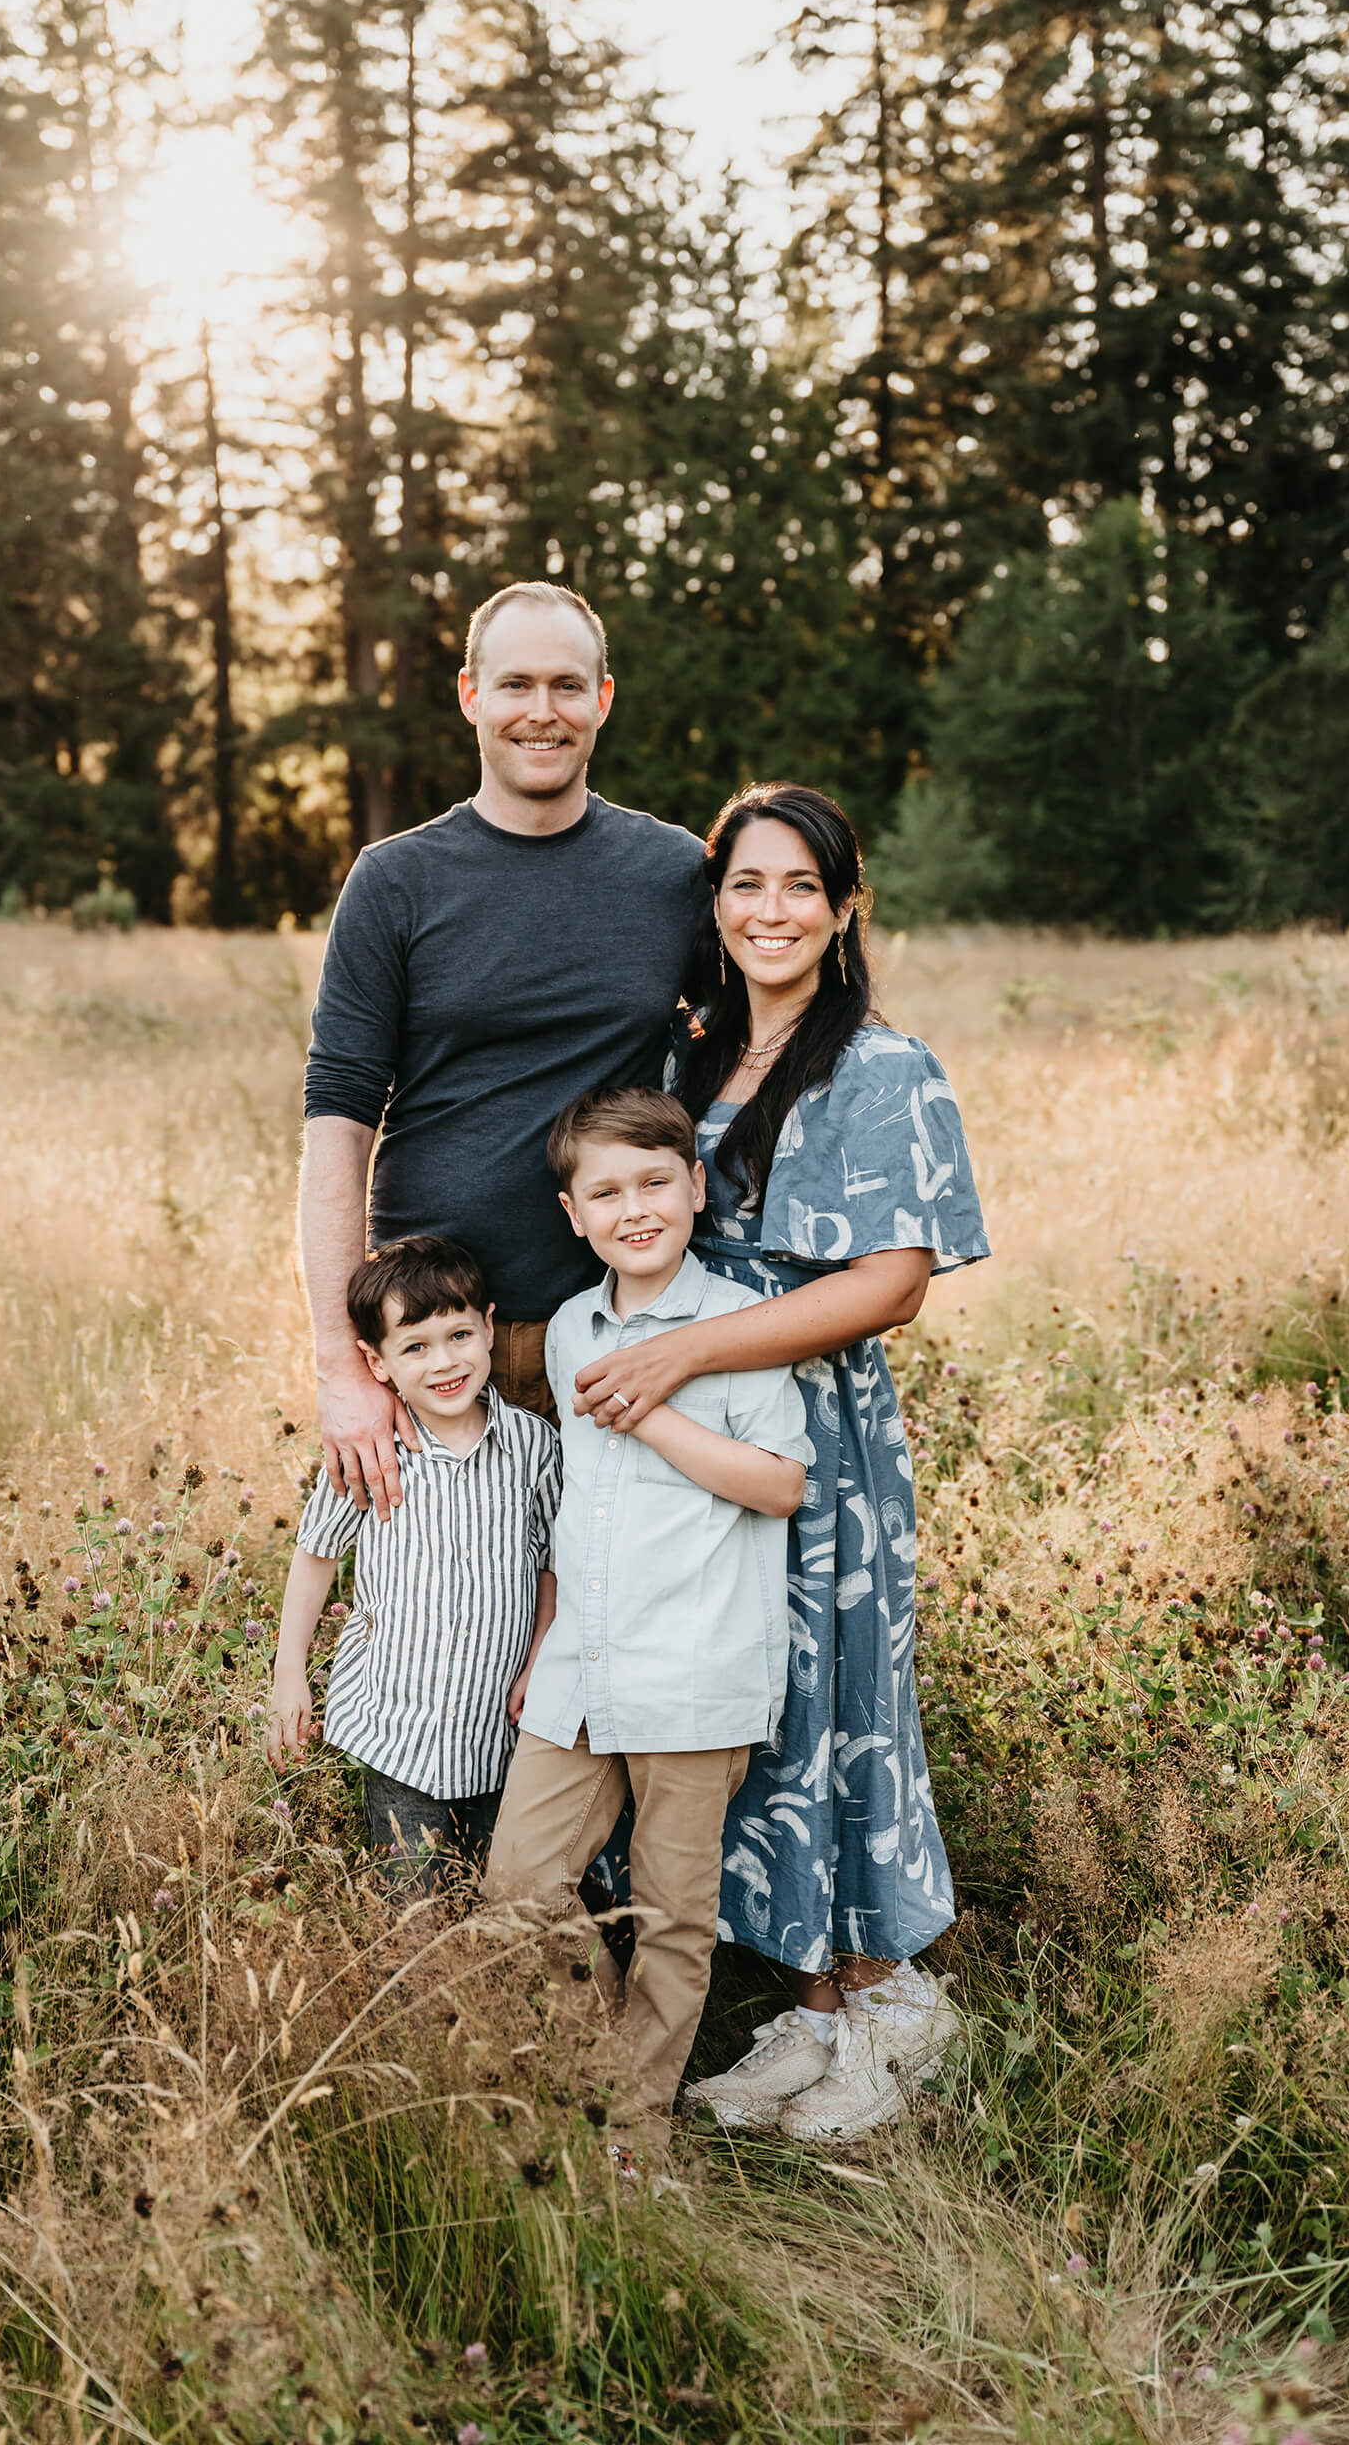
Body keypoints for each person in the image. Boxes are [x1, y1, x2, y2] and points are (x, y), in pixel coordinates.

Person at [568, 783, 990, 2143]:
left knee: (844, 1702)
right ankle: (807, 2009)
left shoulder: (882, 1065)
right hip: (698, 1447)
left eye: (800, 886)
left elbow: (888, 1284)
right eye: (745, 885)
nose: (770, 911)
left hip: (813, 1430)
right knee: (761, 1712)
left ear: (843, 905)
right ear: (715, 902)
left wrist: (691, 1354)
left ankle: (889, 2006)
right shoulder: (686, 1063)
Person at [298, 582, 705, 1510]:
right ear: (470, 695)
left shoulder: (675, 872)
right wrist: (342, 1365)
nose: (541, 711)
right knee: (445, 1634)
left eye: (567, 686)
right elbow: (337, 1129)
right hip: (438, 1337)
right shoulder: (393, 882)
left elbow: (753, 1041)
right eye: (515, 684)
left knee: (610, 1629)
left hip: (618, 1328)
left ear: (602, 700)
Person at [483, 1087, 809, 2154]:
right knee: (520, 1888)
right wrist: (546, 1639)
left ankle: (633, 2133)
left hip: (697, 1661)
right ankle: (595, 2075)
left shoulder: (736, 1328)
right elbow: (579, 1505)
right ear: (573, 1213)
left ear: (695, 1187)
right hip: (583, 1661)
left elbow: (779, 1486)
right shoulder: (575, 1321)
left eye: (656, 1182)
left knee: (673, 1914)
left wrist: (658, 1408)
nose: (636, 1208)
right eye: (607, 1191)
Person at [267, 1234, 562, 1893]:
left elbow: (551, 1562)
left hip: (499, 1727)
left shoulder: (532, 1447)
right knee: (409, 1902)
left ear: (488, 1327)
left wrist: (541, 1657)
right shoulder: (371, 1451)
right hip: (398, 1728)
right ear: (376, 1362)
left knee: (502, 1897)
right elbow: (316, 1553)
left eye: (458, 1335)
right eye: (416, 1347)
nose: (444, 1362)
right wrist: (290, 1673)